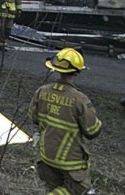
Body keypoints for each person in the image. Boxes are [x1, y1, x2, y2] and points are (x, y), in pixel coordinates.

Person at [28, 48, 102, 195]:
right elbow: (92, 131)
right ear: (77, 72)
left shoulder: (42, 91)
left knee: (54, 187)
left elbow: (33, 117)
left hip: (47, 155)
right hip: (70, 161)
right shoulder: (79, 99)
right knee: (79, 190)